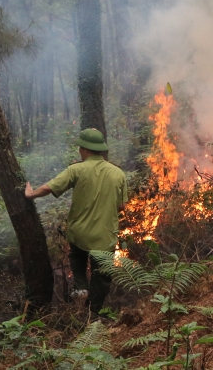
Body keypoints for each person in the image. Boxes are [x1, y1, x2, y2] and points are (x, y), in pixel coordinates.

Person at [25, 128, 128, 315]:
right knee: (102, 276)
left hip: (79, 234)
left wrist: (31, 194)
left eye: (81, 147)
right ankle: (94, 312)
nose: (79, 150)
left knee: (77, 258)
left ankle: (81, 289)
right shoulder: (118, 174)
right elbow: (122, 206)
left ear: (86, 149)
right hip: (105, 236)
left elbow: (51, 187)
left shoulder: (76, 169)